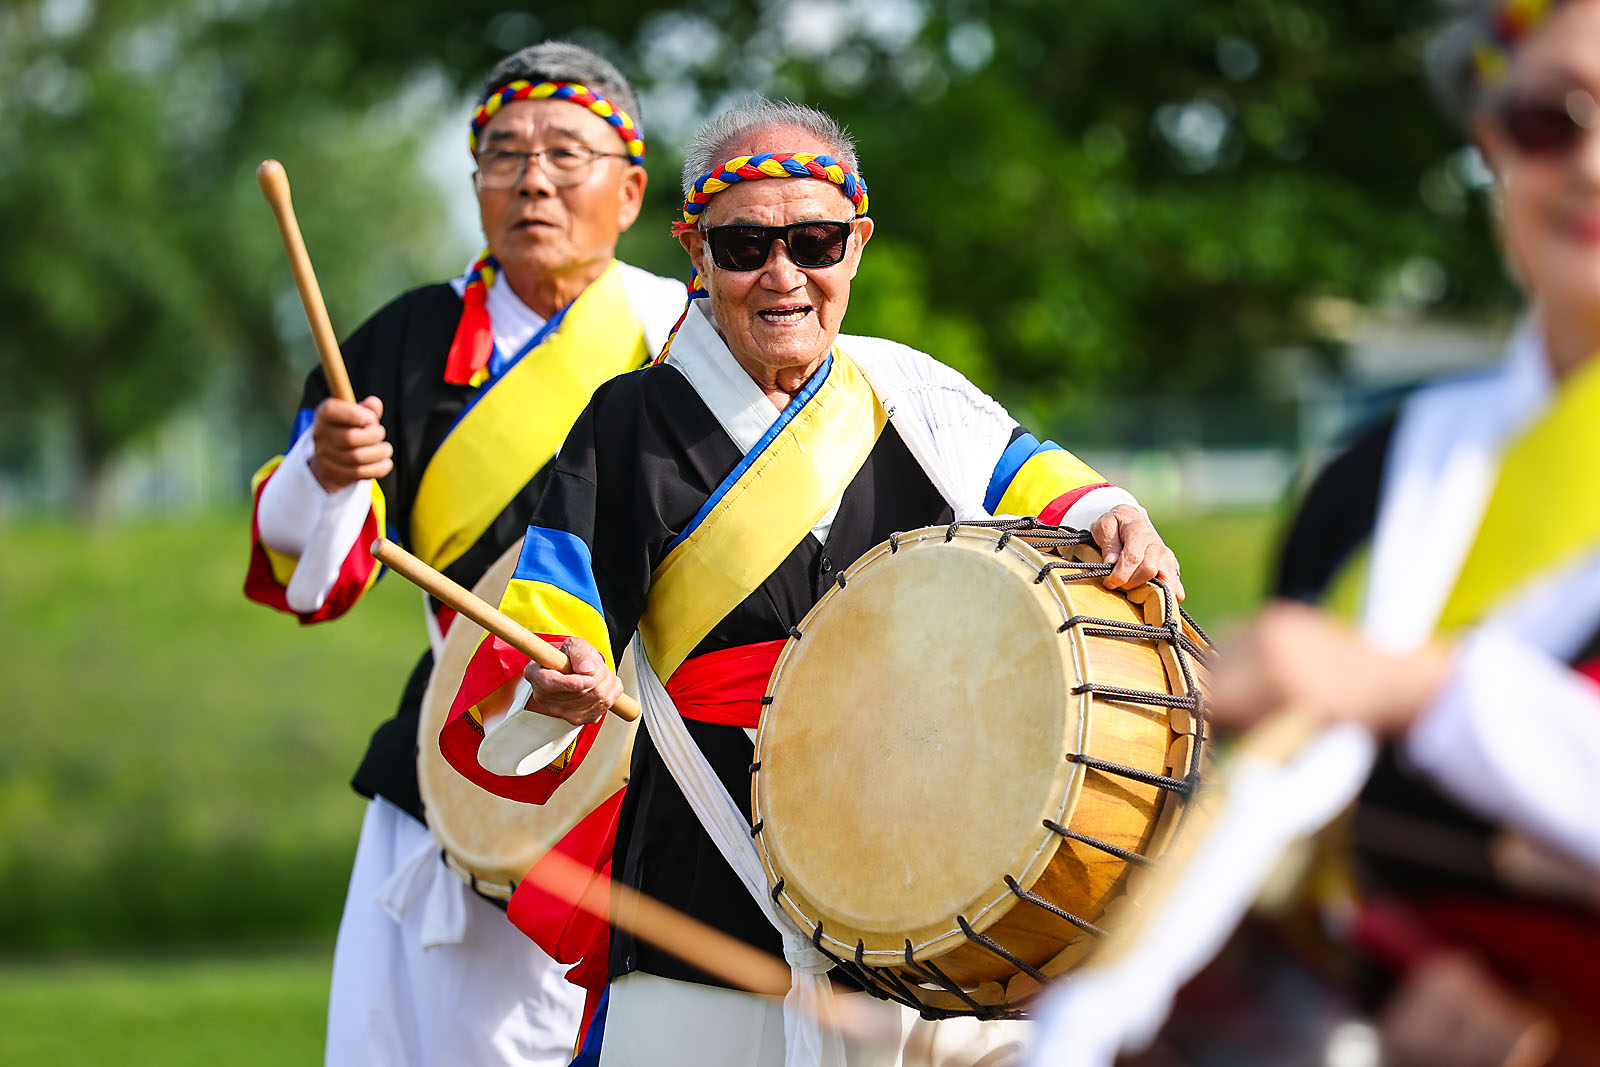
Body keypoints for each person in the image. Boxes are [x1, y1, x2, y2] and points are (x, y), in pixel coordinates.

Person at [437, 99, 1185, 1067]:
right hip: (707, 871)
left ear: (857, 245)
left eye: (815, 241)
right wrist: (556, 677)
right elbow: (550, 620)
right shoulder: (629, 420)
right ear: (694, 252)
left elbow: (1050, 486)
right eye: (745, 244)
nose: (783, 274)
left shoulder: (915, 393)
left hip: (937, 860)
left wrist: (1113, 514)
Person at [243, 41, 686, 1067]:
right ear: (475, 181)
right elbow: (320, 567)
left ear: (628, 188)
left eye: (565, 154)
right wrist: (326, 467)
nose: (533, 178)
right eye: (503, 154)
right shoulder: (402, 339)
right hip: (467, 735)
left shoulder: (690, 331)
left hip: (659, 747)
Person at [1212, 1, 1600, 1061]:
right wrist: (1396, 965)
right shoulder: (1369, 481)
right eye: (1549, 120)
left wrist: (1416, 689)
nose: (1590, 164)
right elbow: (1312, 848)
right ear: (1489, 142)